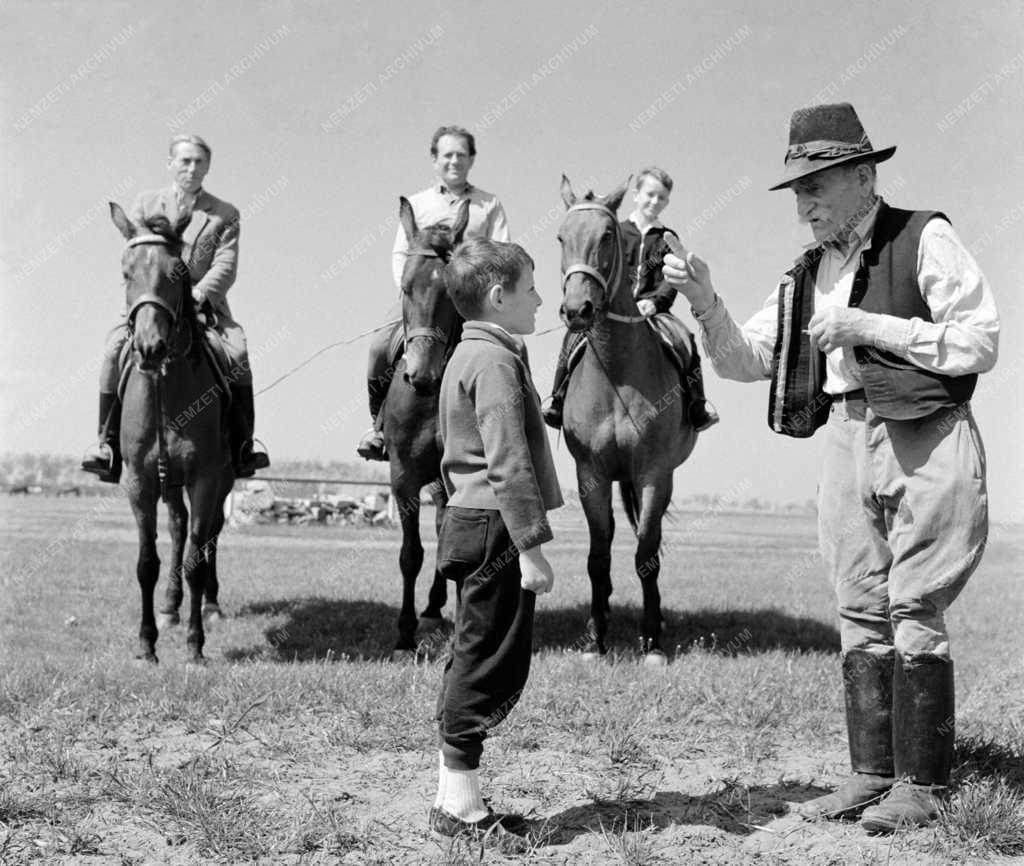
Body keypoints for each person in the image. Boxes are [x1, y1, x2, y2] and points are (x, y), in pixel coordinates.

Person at [662, 103, 998, 831]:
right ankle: (870, 774)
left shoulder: (925, 236)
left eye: (817, 186)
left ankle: (924, 786)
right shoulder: (808, 272)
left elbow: (979, 342)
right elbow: (745, 360)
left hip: (926, 432)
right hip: (845, 435)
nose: (804, 206)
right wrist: (703, 297)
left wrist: (865, 327)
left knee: (914, 603)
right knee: (857, 605)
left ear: (865, 177)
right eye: (798, 191)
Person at [428, 238, 562, 848]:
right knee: (485, 659)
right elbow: (507, 461)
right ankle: (458, 810)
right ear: (499, 296)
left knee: (472, 651)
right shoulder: (495, 361)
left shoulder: (474, 352)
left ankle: (456, 798)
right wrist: (530, 547)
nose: (541, 298)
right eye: (532, 287)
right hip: (494, 526)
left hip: (472, 520)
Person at [81, 134, 269, 482]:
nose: (192, 168)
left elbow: (225, 265)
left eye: (199, 161)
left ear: (208, 167)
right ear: (171, 164)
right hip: (152, 306)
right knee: (112, 351)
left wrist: (199, 294)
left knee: (238, 351)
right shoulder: (145, 203)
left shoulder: (224, 214)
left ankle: (245, 445)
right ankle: (106, 444)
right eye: (185, 161)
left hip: (203, 308)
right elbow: (135, 256)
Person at [356, 125, 511, 461]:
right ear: (435, 160)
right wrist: (409, 290)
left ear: (472, 159)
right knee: (380, 345)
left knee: (515, 351)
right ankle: (378, 426)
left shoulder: (489, 205)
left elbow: (501, 251)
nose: (454, 161)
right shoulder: (418, 203)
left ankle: (515, 427)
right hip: (420, 300)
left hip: (471, 302)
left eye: (461, 155)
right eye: (447, 155)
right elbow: (401, 252)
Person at [541, 167, 718, 432]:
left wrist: (656, 302)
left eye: (661, 198)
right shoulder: (615, 230)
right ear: (636, 195)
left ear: (667, 201)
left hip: (653, 311)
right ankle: (558, 396)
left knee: (685, 339)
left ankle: (697, 404)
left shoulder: (667, 238)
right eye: (649, 194)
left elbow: (670, 278)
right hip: (611, 309)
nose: (654, 202)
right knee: (573, 337)